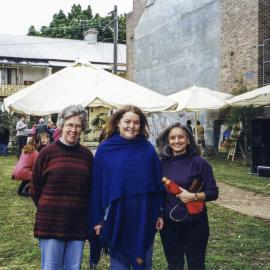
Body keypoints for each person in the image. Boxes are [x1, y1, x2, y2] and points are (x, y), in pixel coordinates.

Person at [89, 105, 164, 270]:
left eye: (136, 122)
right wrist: (98, 218)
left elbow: (157, 184)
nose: (132, 126)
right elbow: (97, 186)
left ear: (141, 125)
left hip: (144, 214)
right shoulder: (105, 149)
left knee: (144, 261)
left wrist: (159, 212)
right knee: (119, 263)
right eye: (127, 121)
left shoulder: (147, 149)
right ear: (117, 123)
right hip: (116, 214)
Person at [30, 105, 93, 270]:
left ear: (82, 128)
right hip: (51, 222)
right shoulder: (47, 153)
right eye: (69, 125)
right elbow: (34, 188)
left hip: (77, 222)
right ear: (61, 126)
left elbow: (90, 189)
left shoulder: (87, 156)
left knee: (73, 267)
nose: (74, 129)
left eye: (78, 126)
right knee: (52, 267)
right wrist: (50, 208)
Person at [156, 123, 219, 270]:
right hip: (169, 225)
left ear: (188, 139)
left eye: (181, 137)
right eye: (172, 138)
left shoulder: (200, 163)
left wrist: (193, 196)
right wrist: (159, 214)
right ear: (167, 140)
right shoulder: (161, 164)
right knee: (174, 265)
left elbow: (213, 192)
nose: (176, 141)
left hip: (195, 223)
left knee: (196, 265)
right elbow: (158, 194)